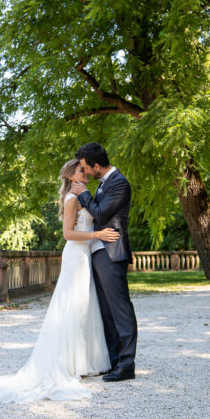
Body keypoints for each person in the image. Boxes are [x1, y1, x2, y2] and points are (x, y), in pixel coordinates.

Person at [0, 158, 118, 402]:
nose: (86, 173)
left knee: (85, 305)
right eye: (81, 170)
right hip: (76, 255)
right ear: (71, 176)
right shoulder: (72, 198)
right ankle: (69, 363)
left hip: (85, 255)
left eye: (86, 169)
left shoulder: (82, 195)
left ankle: (84, 361)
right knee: (74, 305)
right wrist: (98, 234)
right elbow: (68, 234)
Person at [70, 142, 137, 381]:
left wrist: (83, 193)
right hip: (98, 252)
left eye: (87, 168)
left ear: (97, 166)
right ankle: (114, 361)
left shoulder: (119, 183)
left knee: (120, 309)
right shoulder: (103, 184)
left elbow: (100, 213)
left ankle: (127, 365)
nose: (86, 172)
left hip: (112, 252)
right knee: (107, 312)